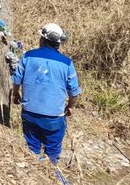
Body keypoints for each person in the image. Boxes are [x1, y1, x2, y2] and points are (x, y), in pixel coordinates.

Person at [12, 23, 82, 164]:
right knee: (52, 152)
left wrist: (15, 94)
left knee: (32, 148)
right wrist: (70, 106)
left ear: (42, 39)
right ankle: (51, 171)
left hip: (29, 113)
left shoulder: (28, 56)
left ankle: (35, 167)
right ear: (58, 44)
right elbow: (74, 92)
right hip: (54, 118)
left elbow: (16, 81)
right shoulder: (67, 63)